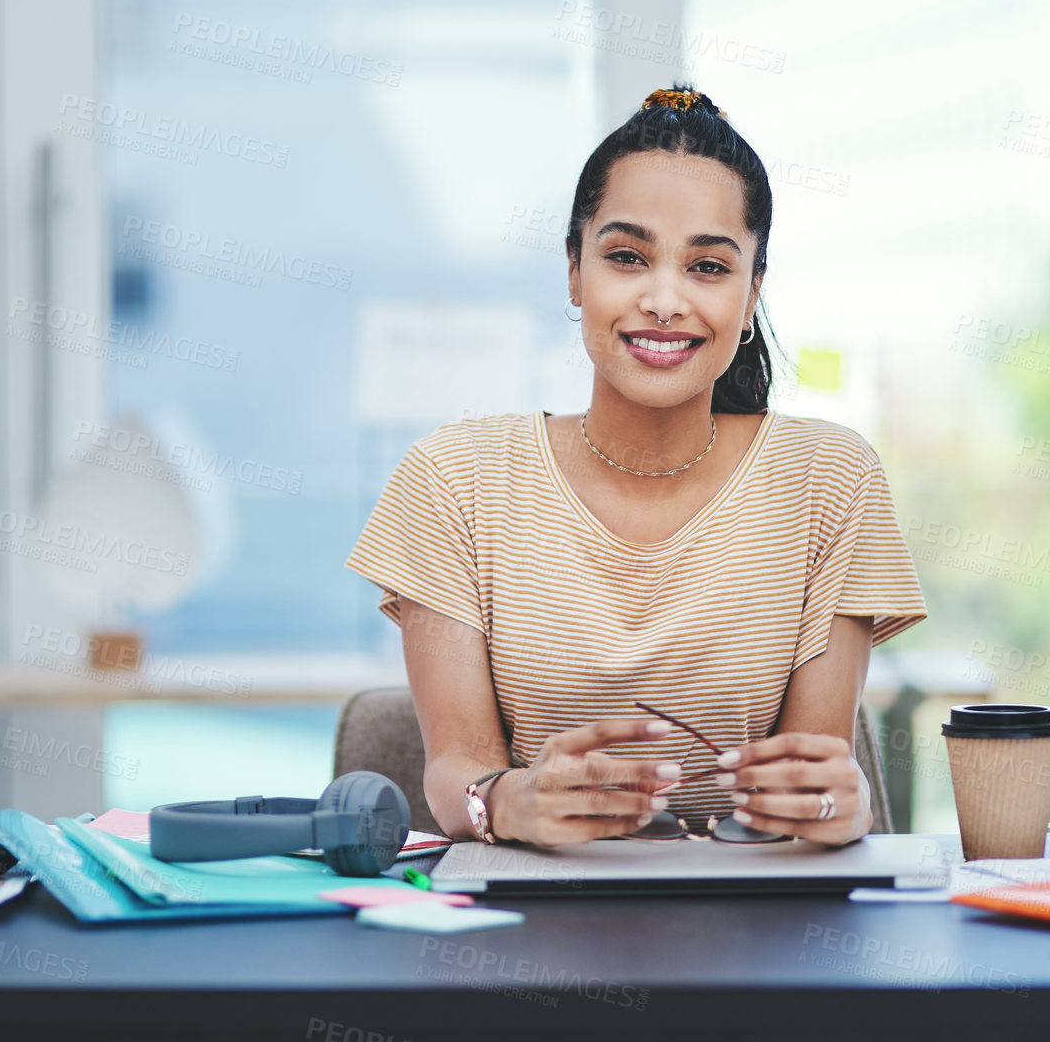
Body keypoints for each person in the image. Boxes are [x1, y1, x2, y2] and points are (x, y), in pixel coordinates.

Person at [345, 86, 925, 847]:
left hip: (759, 924)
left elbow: (812, 771)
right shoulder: (454, 480)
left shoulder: (829, 479)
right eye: (626, 256)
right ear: (575, 272)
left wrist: (829, 805)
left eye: (709, 267)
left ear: (752, 293)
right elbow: (460, 770)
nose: (663, 299)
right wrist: (512, 801)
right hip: (533, 921)